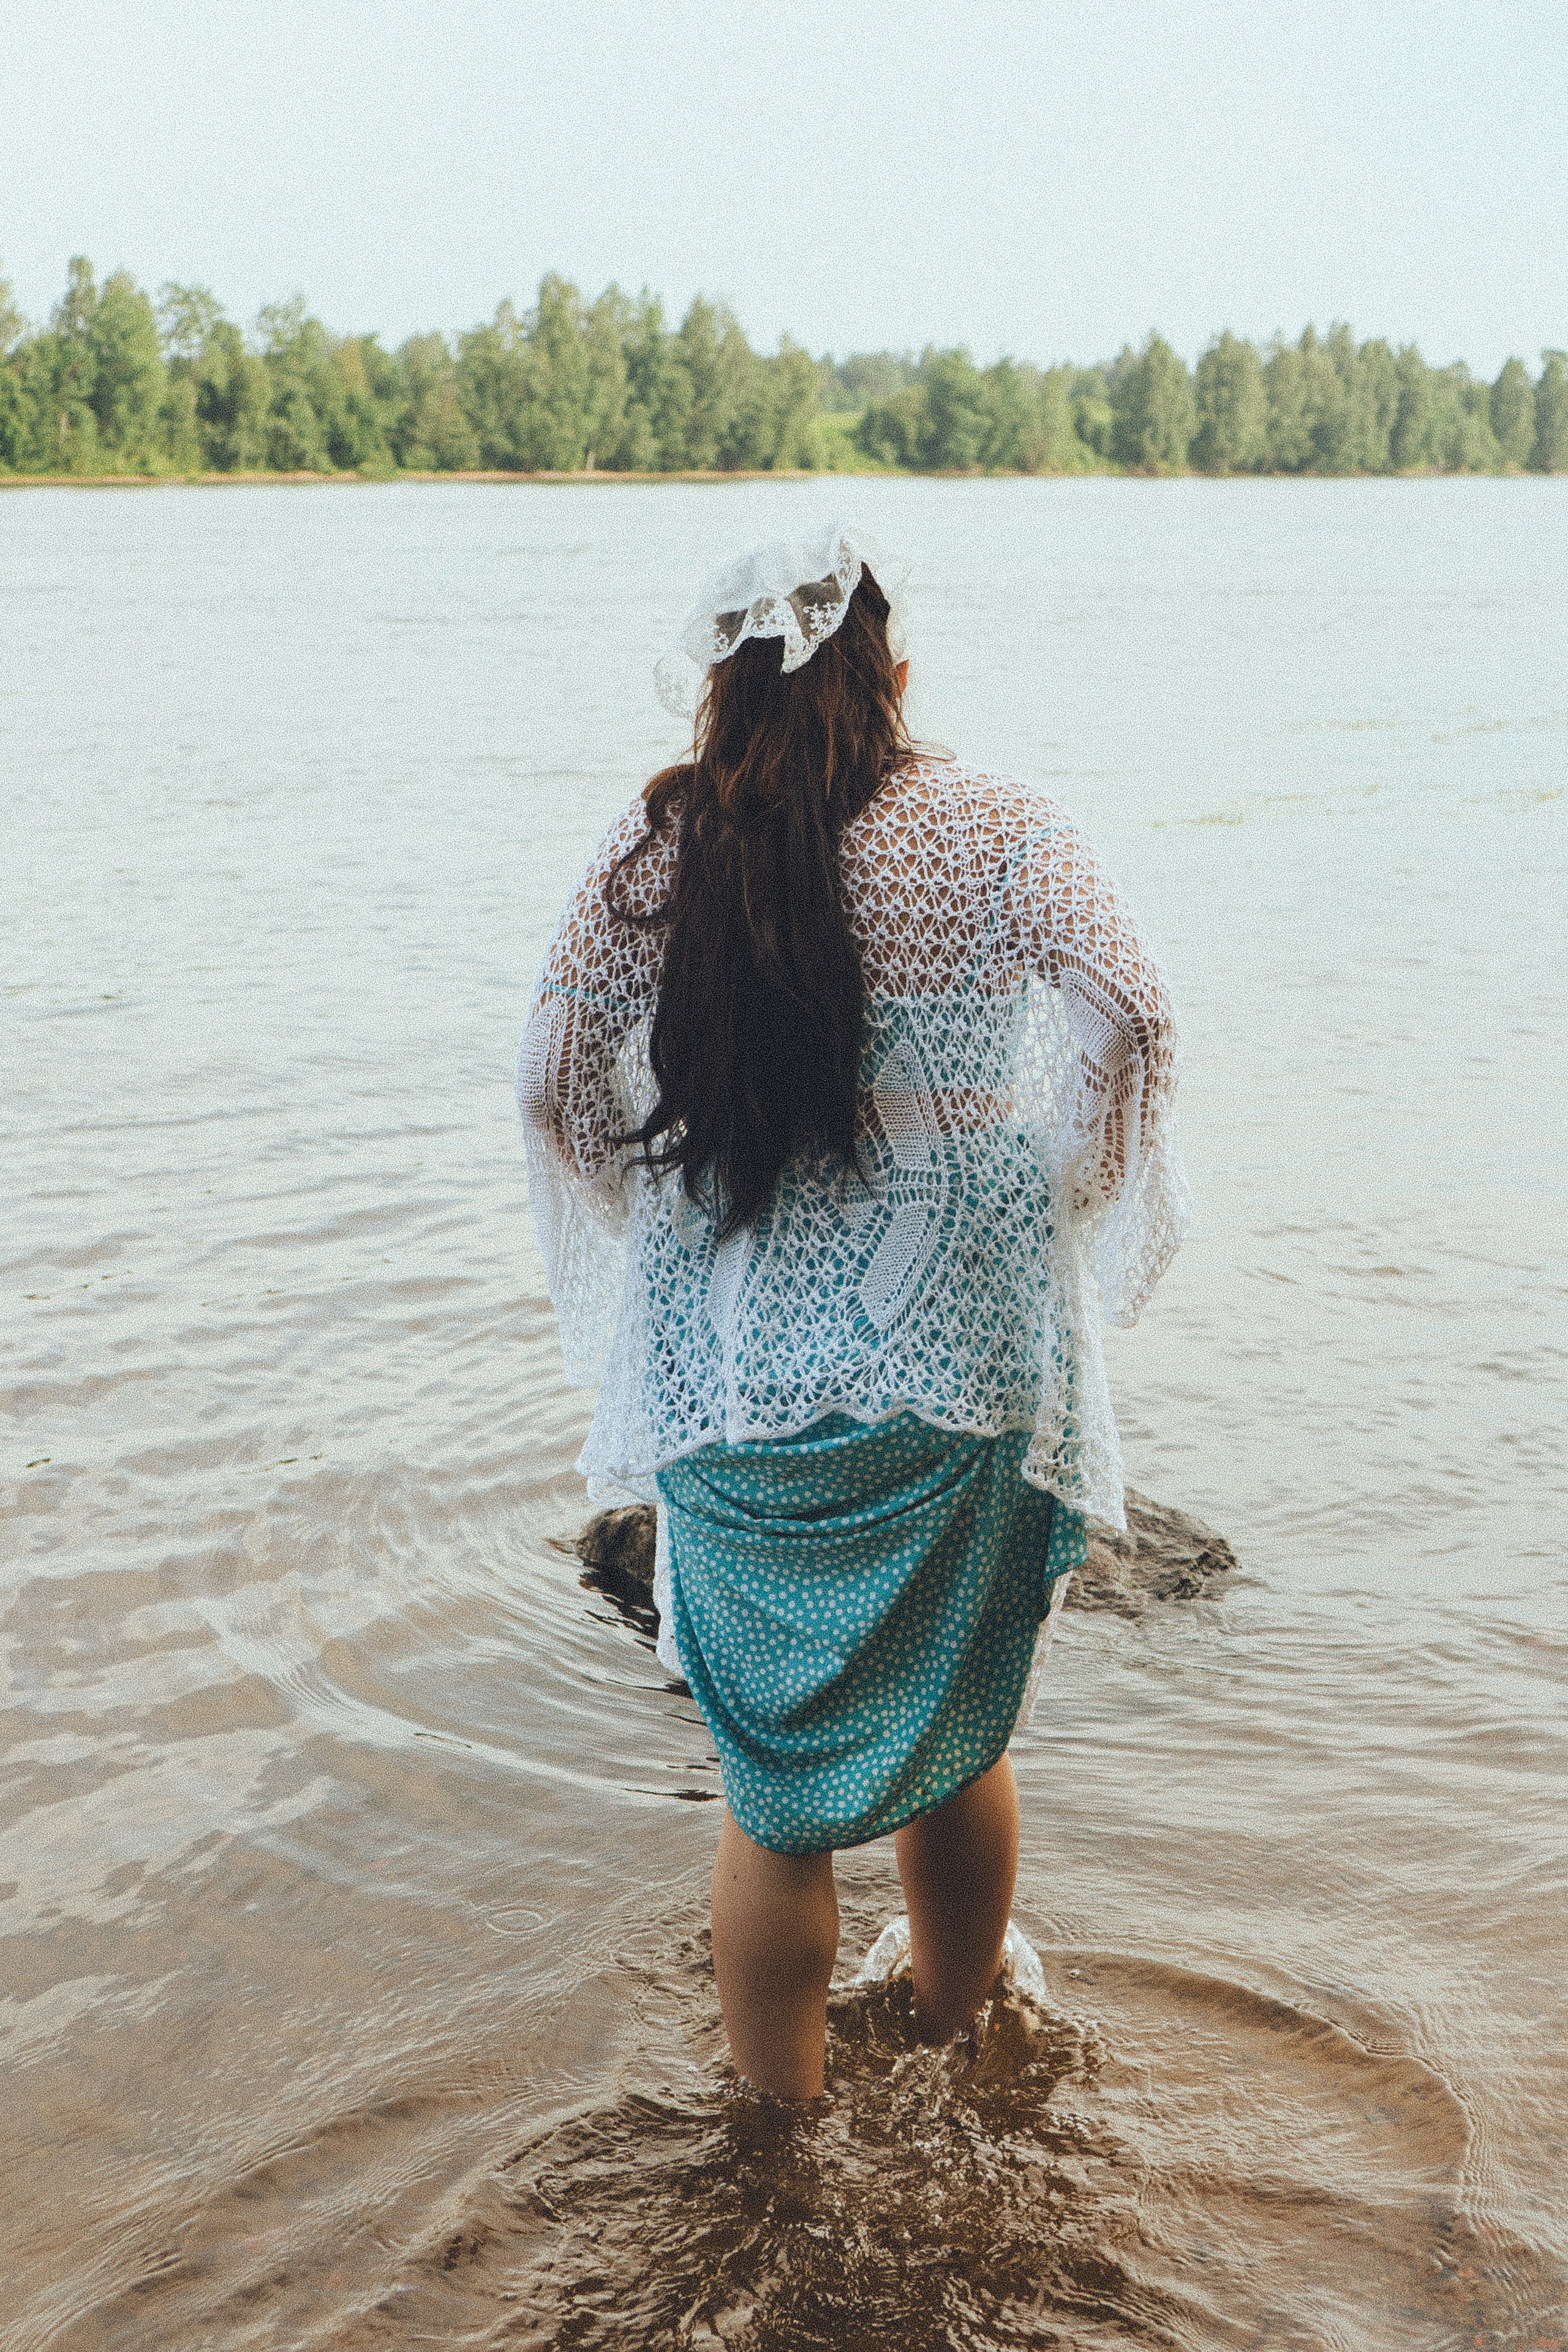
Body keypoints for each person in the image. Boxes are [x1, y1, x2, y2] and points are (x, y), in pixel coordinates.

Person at [518, 523, 1186, 2098]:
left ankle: (778, 2135)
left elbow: (549, 1082)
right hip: (962, 1359)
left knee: (769, 1797)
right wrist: (1061, 1186)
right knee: (959, 1734)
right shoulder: (999, 827)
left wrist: (647, 1220)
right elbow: (1136, 1018)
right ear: (892, 674)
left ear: (719, 685)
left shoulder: (657, 845)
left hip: (731, 1376)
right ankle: (960, 2046)